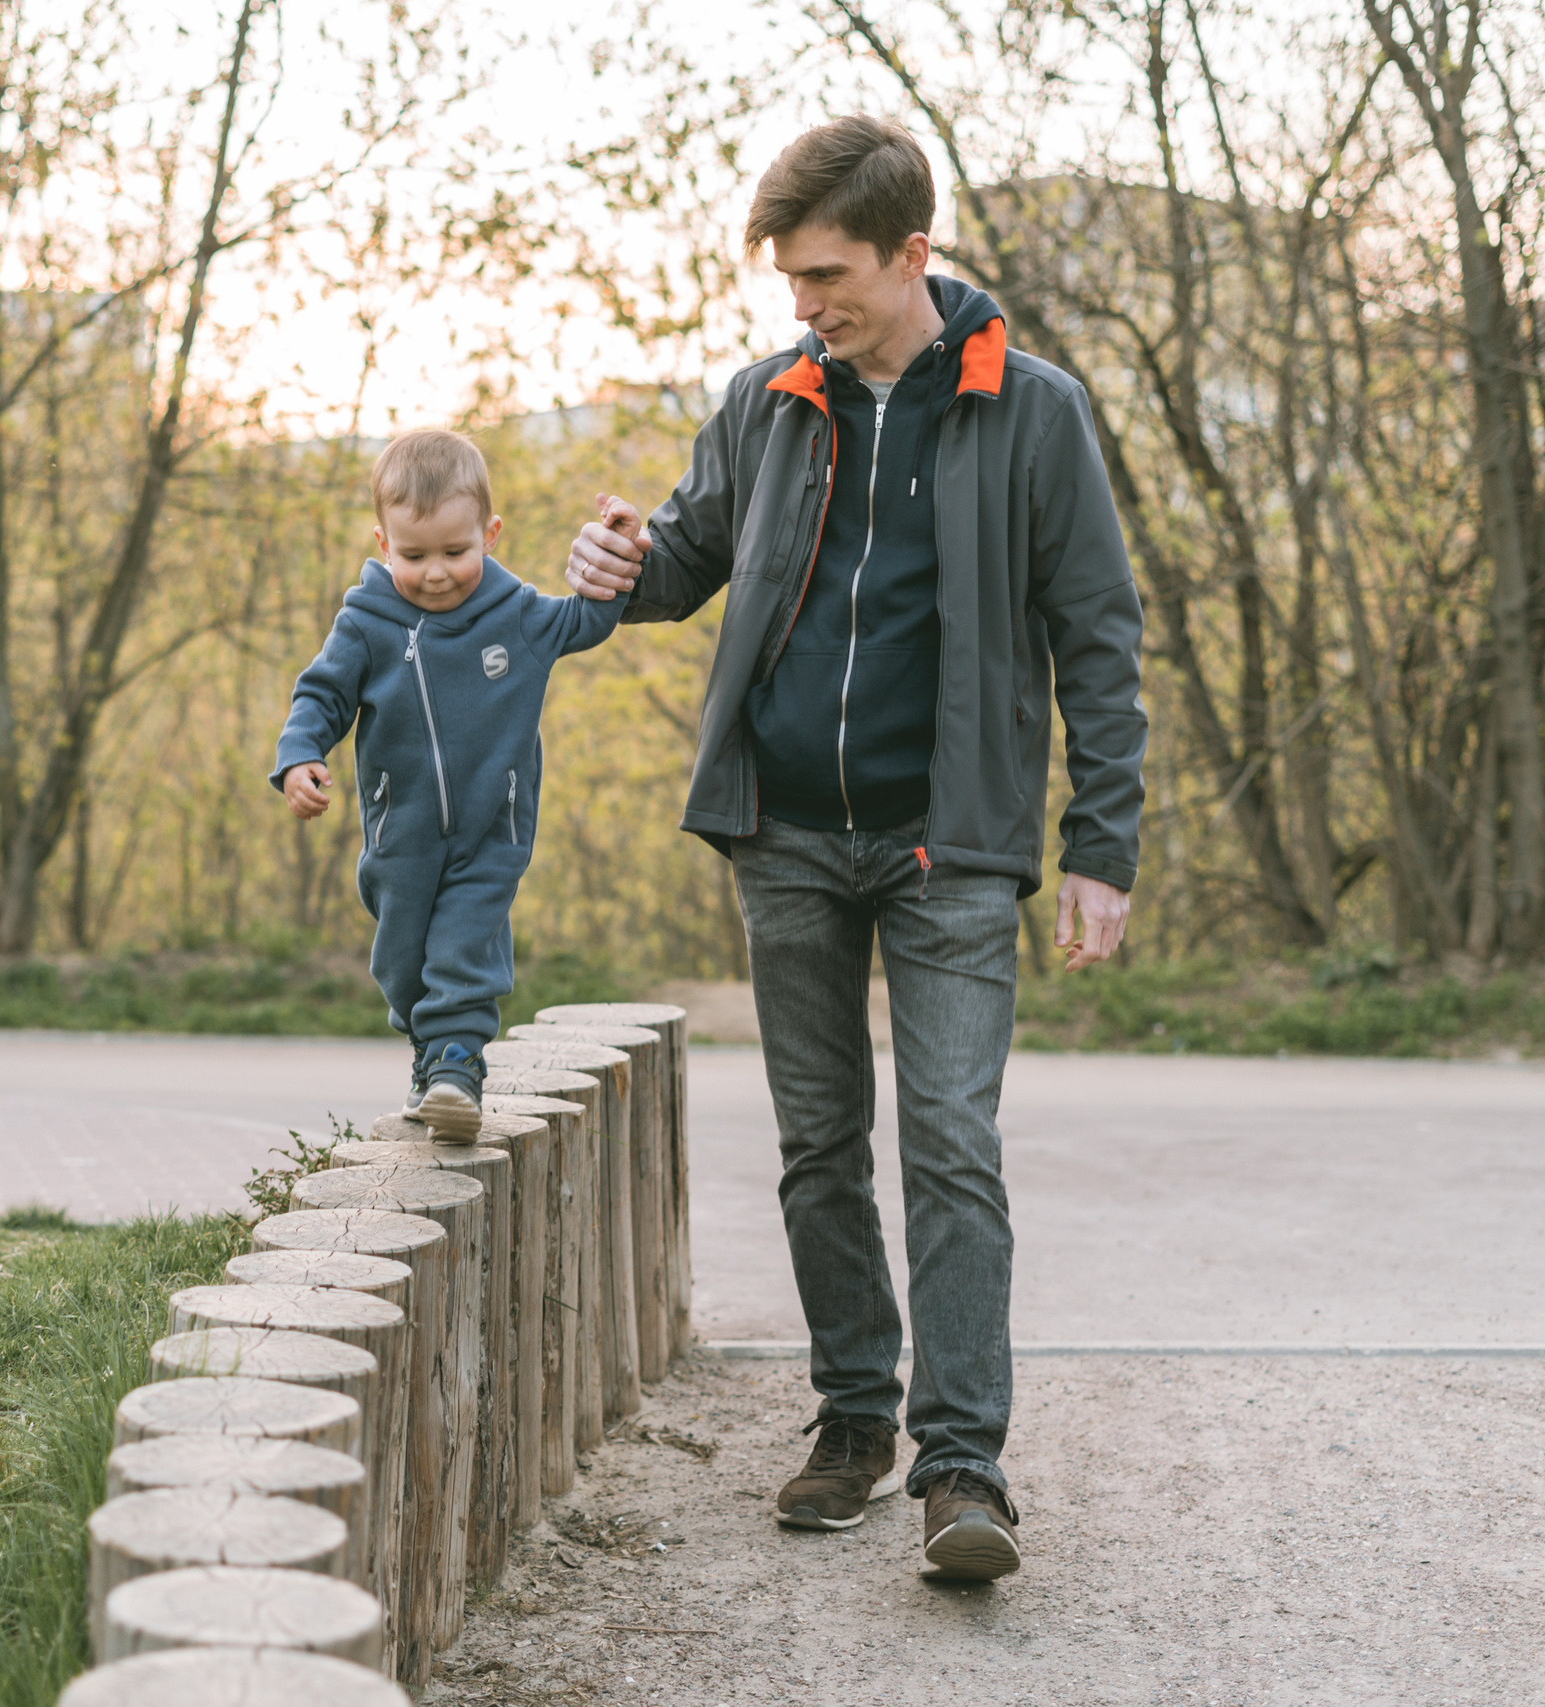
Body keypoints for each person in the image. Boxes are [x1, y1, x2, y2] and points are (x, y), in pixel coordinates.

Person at [565, 116, 1147, 1581]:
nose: (803, 302)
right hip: (784, 834)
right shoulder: (767, 401)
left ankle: (962, 1466)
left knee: (952, 1143)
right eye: (789, 277)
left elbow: (1098, 635)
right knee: (819, 1146)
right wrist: (618, 566)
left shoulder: (1036, 411)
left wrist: (1102, 842)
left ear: (910, 254)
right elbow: (687, 561)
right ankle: (851, 1421)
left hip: (953, 844)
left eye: (826, 274)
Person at [274, 427, 630, 1138]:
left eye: (454, 552)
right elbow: (322, 695)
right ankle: (431, 1057)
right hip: (400, 833)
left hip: (492, 829)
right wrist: (299, 754)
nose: (436, 573)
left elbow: (588, 619)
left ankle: (459, 1066)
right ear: (383, 544)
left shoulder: (516, 616)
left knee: (464, 947)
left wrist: (617, 554)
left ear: (489, 535)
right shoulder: (367, 622)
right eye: (414, 556)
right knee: (403, 961)